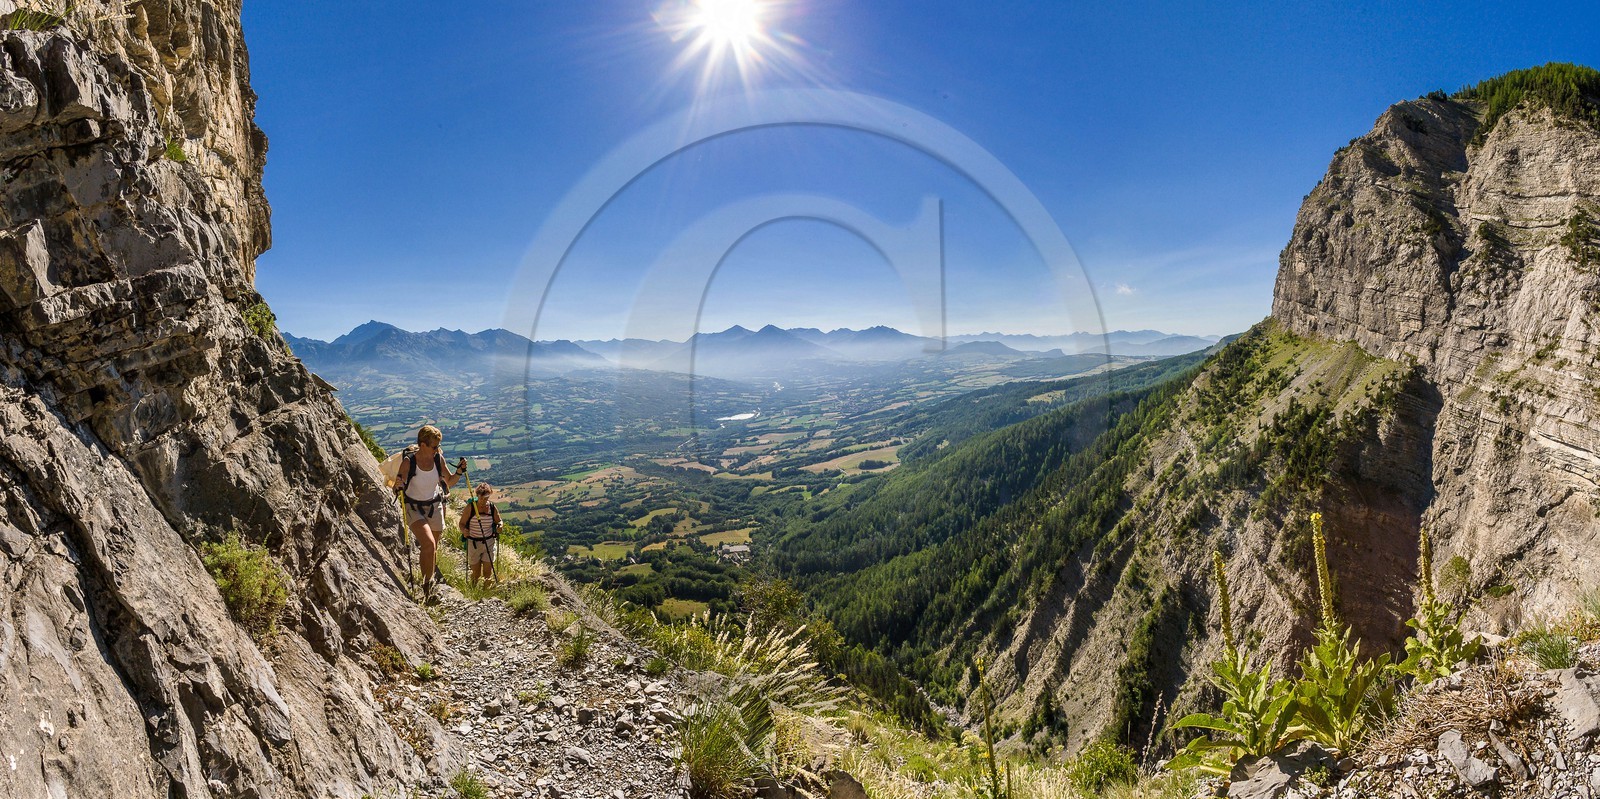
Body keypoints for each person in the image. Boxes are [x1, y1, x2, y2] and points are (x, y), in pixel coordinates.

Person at [398, 425, 465, 599]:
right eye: (434, 446)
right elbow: (398, 485)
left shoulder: (438, 459)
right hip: (414, 508)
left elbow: (449, 481)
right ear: (423, 445)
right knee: (428, 544)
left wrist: (459, 471)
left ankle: (429, 581)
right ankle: (427, 585)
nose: (437, 449)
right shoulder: (409, 462)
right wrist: (398, 486)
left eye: (438, 445)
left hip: (435, 505)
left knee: (432, 547)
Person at [459, 482, 501, 588]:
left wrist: (500, 526)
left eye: (486, 498)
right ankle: (473, 591)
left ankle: (486, 592)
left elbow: (499, 521)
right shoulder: (471, 507)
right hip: (473, 543)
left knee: (487, 572)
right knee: (476, 573)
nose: (483, 501)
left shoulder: (492, 507)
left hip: (489, 542)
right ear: (477, 495)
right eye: (481, 498)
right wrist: (464, 531)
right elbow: (462, 523)